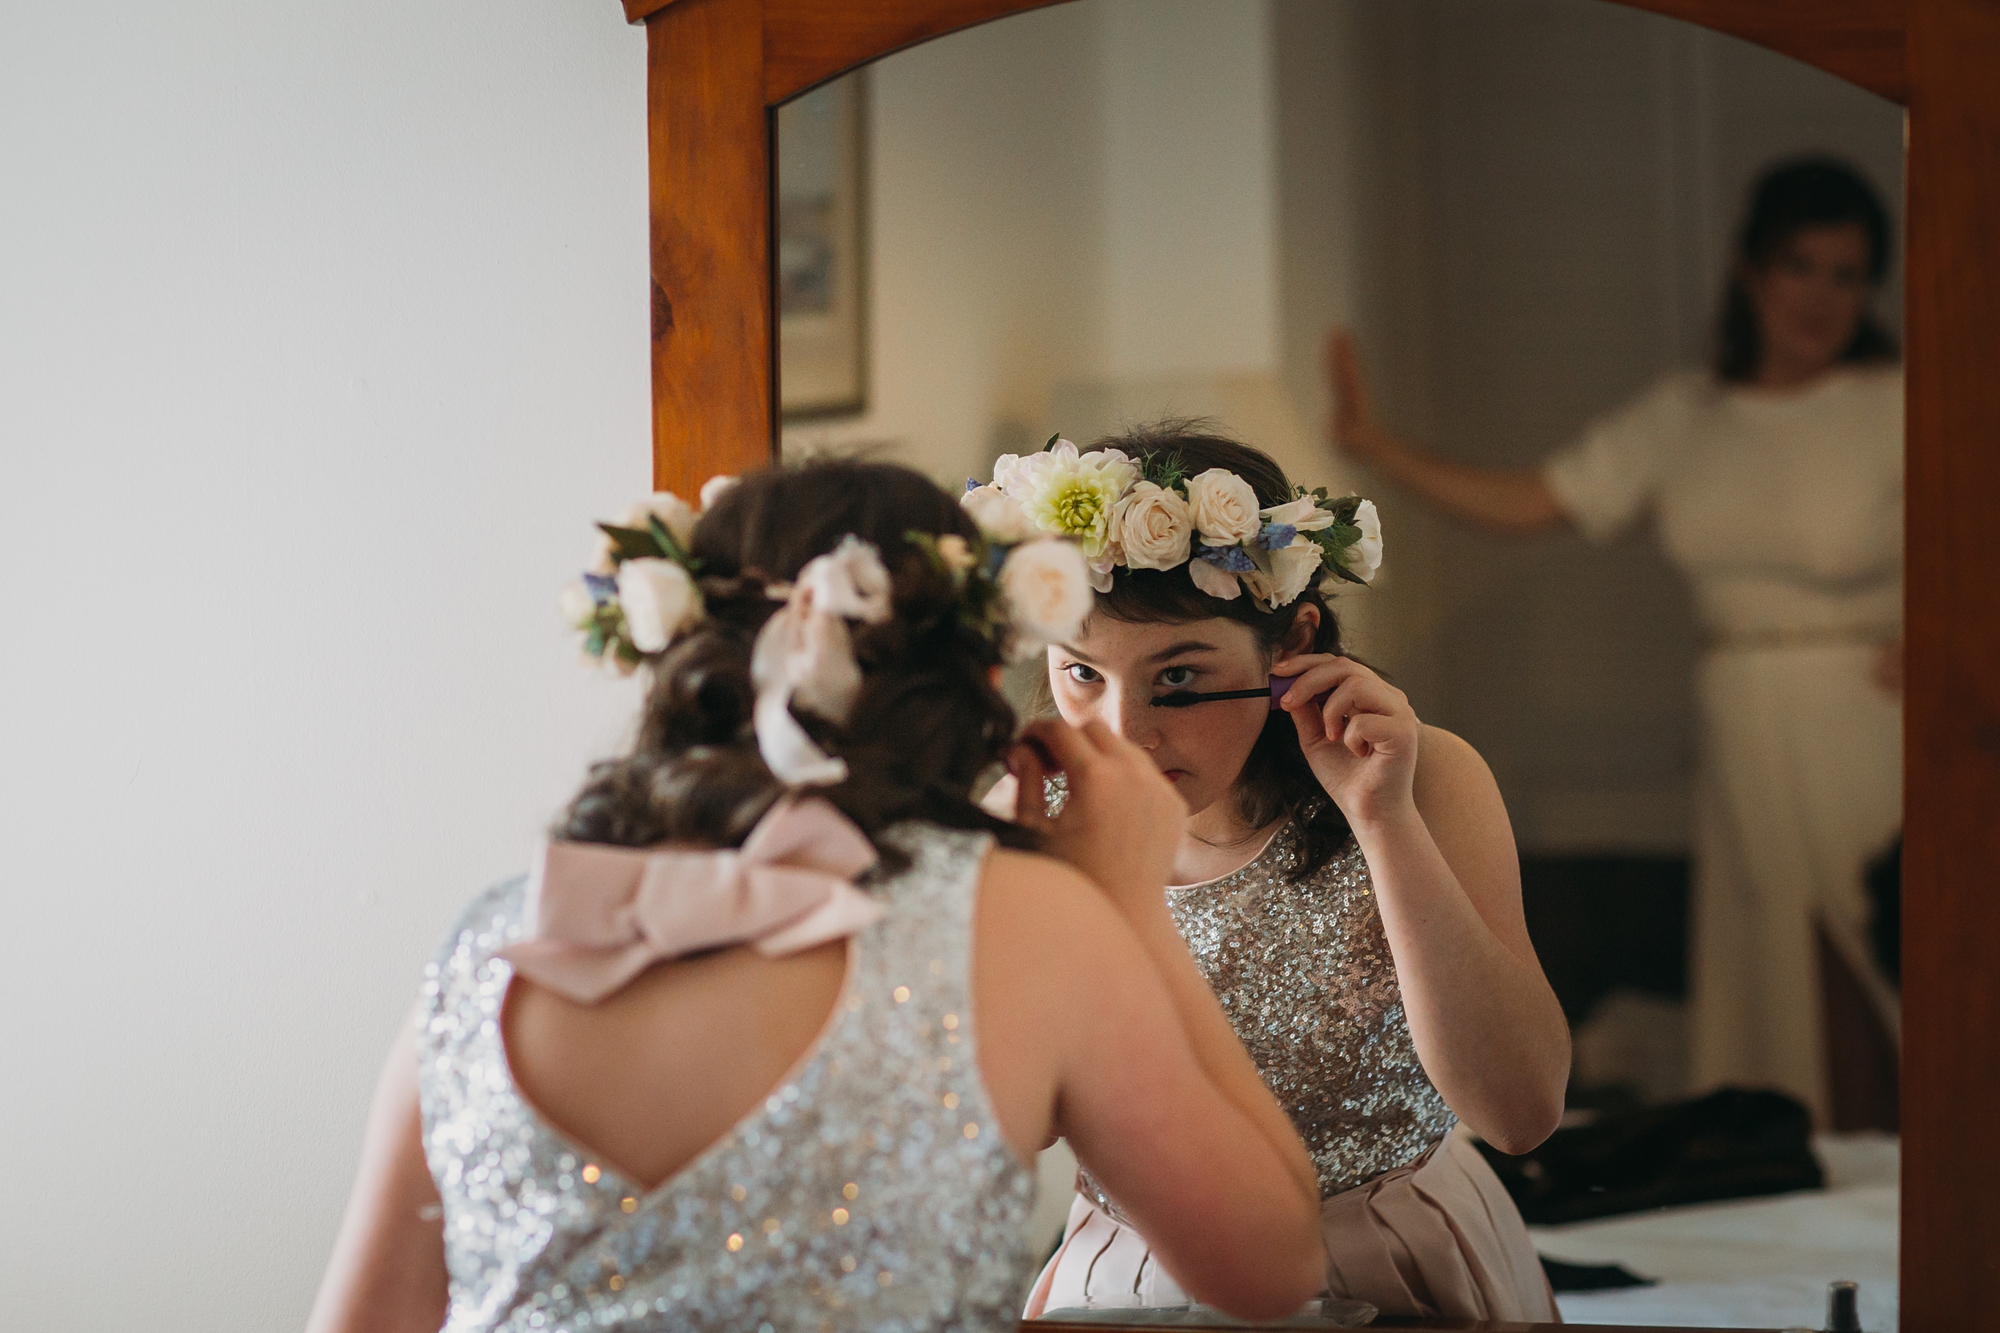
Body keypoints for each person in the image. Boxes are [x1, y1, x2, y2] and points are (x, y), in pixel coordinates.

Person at [304, 461, 1330, 1333]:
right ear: (973, 671)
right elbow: (1271, 1269)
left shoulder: (497, 937)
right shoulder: (1024, 924)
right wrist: (1127, 907)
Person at [1328, 156, 1903, 1128]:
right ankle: (1794, 1160)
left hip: (1874, 713)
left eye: (1847, 274)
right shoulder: (1685, 416)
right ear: (1751, 271)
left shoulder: (1901, 402)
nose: (1821, 295)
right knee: (1771, 963)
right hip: (1741, 715)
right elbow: (1533, 499)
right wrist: (1375, 448)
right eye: (1801, 265)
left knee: (1886, 947)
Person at [967, 426, 1568, 1322]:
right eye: (1081, 673)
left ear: (1291, 643)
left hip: (1398, 1260)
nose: (1123, 730)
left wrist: (1384, 820)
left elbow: (1520, 1112)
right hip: (1137, 1279)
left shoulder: (1430, 779)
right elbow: (1011, 1132)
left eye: (1177, 678)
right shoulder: (1030, 815)